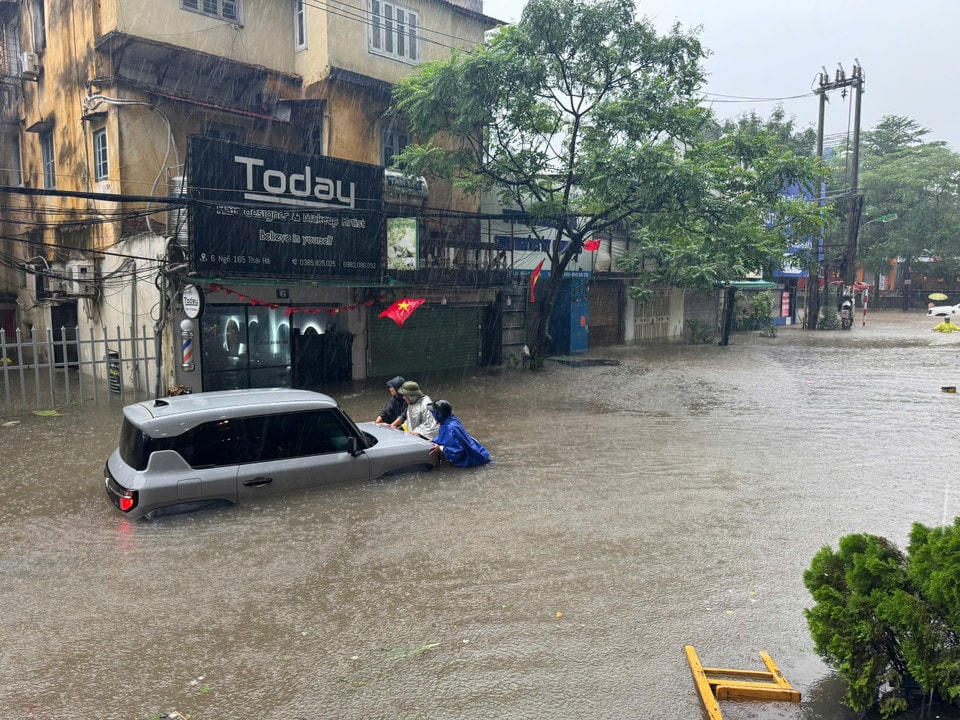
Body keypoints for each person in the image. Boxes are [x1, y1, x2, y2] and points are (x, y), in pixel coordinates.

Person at [428, 400, 491, 467]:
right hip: (478, 454)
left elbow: (457, 453)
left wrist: (441, 448)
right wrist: (434, 441)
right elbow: (448, 438)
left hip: (472, 461)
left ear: (438, 414)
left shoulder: (450, 428)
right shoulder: (451, 420)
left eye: (433, 412)